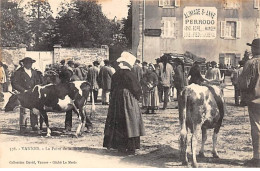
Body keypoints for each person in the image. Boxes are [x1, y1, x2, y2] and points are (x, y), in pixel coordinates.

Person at [103, 51, 145, 155]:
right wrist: (138, 96)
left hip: (116, 99)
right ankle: (131, 147)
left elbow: (112, 88)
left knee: (117, 121)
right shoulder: (130, 74)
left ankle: (120, 146)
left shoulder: (116, 74)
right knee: (130, 121)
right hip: (128, 98)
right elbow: (136, 88)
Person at [239, 38, 260, 167]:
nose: (251, 49)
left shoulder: (251, 63)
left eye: (253, 47)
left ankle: (257, 157)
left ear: (256, 49)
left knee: (257, 127)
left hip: (256, 100)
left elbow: (244, 83)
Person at [11, 57, 42, 132]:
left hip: (33, 93)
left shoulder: (34, 72)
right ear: (24, 64)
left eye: (31, 63)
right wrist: (23, 90)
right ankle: (23, 126)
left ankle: (34, 125)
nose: (29, 65)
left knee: (34, 109)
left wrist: (36, 89)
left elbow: (38, 81)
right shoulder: (18, 72)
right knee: (24, 110)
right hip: (23, 93)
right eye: (28, 63)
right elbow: (14, 83)